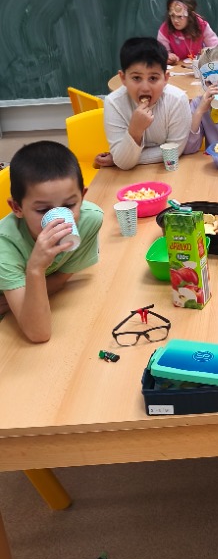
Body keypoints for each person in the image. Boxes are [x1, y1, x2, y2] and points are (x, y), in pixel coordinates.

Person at [0, 141, 103, 343]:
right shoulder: (5, 245)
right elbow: (39, 333)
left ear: (82, 197)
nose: (59, 219)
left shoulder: (89, 220)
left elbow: (61, 279)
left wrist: (25, 300)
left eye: (69, 205)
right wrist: (35, 268)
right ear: (17, 208)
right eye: (43, 210)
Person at [96, 37, 192, 170]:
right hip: (126, 177)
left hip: (166, 172)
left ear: (165, 78)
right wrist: (135, 130)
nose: (145, 88)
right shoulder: (113, 103)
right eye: (136, 78)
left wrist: (118, 158)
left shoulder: (177, 100)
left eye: (153, 78)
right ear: (123, 78)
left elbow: (175, 151)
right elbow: (123, 163)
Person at [157, 0, 218, 65]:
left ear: (190, 15)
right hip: (176, 67)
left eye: (180, 16)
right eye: (172, 16)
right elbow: (161, 53)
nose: (175, 20)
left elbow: (215, 45)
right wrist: (167, 57)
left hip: (198, 66)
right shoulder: (165, 29)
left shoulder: (201, 25)